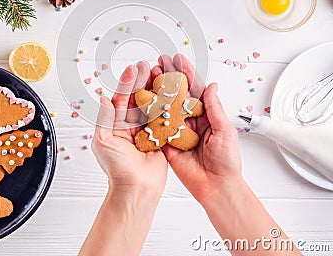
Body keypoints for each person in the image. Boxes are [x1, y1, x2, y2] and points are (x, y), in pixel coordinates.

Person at [78, 54, 302, 256]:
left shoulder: (177, 105)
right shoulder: (154, 101)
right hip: (158, 135)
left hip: (175, 134)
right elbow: (159, 100)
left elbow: (191, 106)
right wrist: (132, 188)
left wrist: (223, 183)